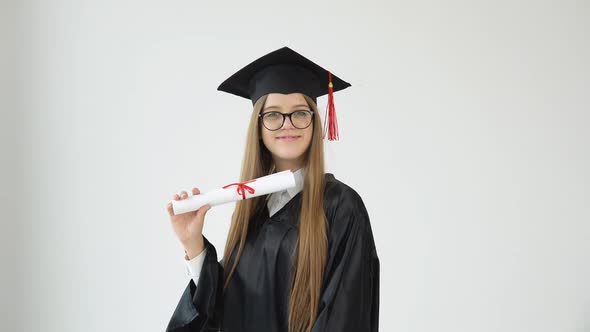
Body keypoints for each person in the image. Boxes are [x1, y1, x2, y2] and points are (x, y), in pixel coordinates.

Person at [165, 46, 380, 332]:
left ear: (315, 123)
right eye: (273, 115)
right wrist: (194, 246)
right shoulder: (252, 208)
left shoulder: (341, 206)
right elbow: (225, 311)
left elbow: (345, 315)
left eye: (300, 113)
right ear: (259, 126)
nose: (287, 124)